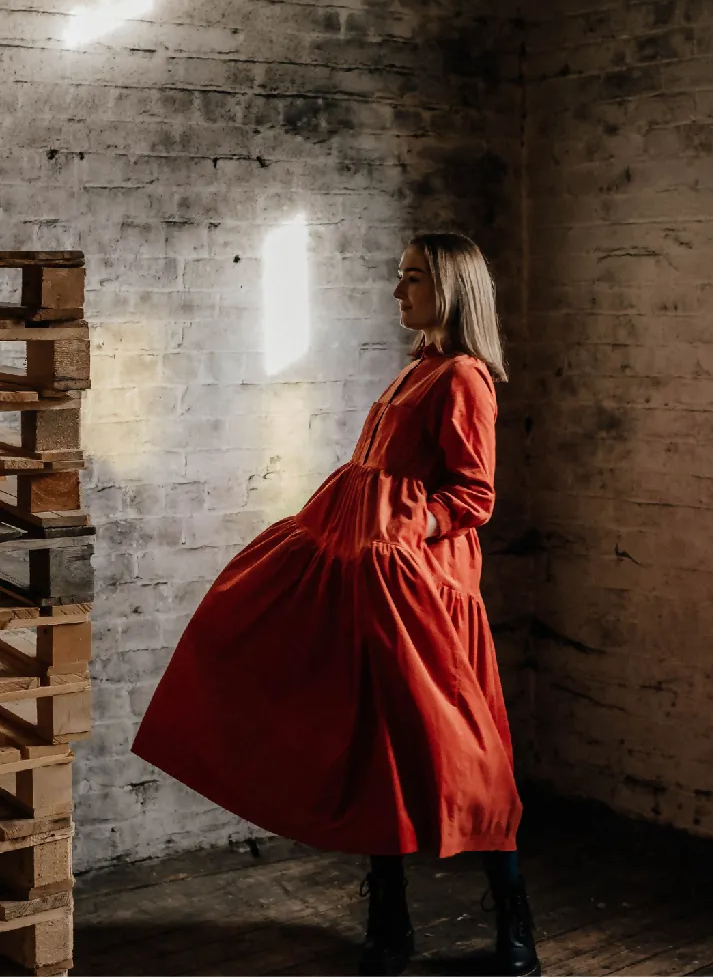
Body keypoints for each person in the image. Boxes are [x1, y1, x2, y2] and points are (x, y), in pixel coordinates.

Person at [132, 233, 541, 977]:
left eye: (412, 279)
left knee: (468, 756)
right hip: (373, 588)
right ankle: (391, 917)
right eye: (400, 277)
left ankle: (514, 921)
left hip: (427, 592)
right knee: (377, 753)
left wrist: (409, 527)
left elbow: (474, 495)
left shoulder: (464, 377)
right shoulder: (416, 369)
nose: (398, 292)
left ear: (449, 288)